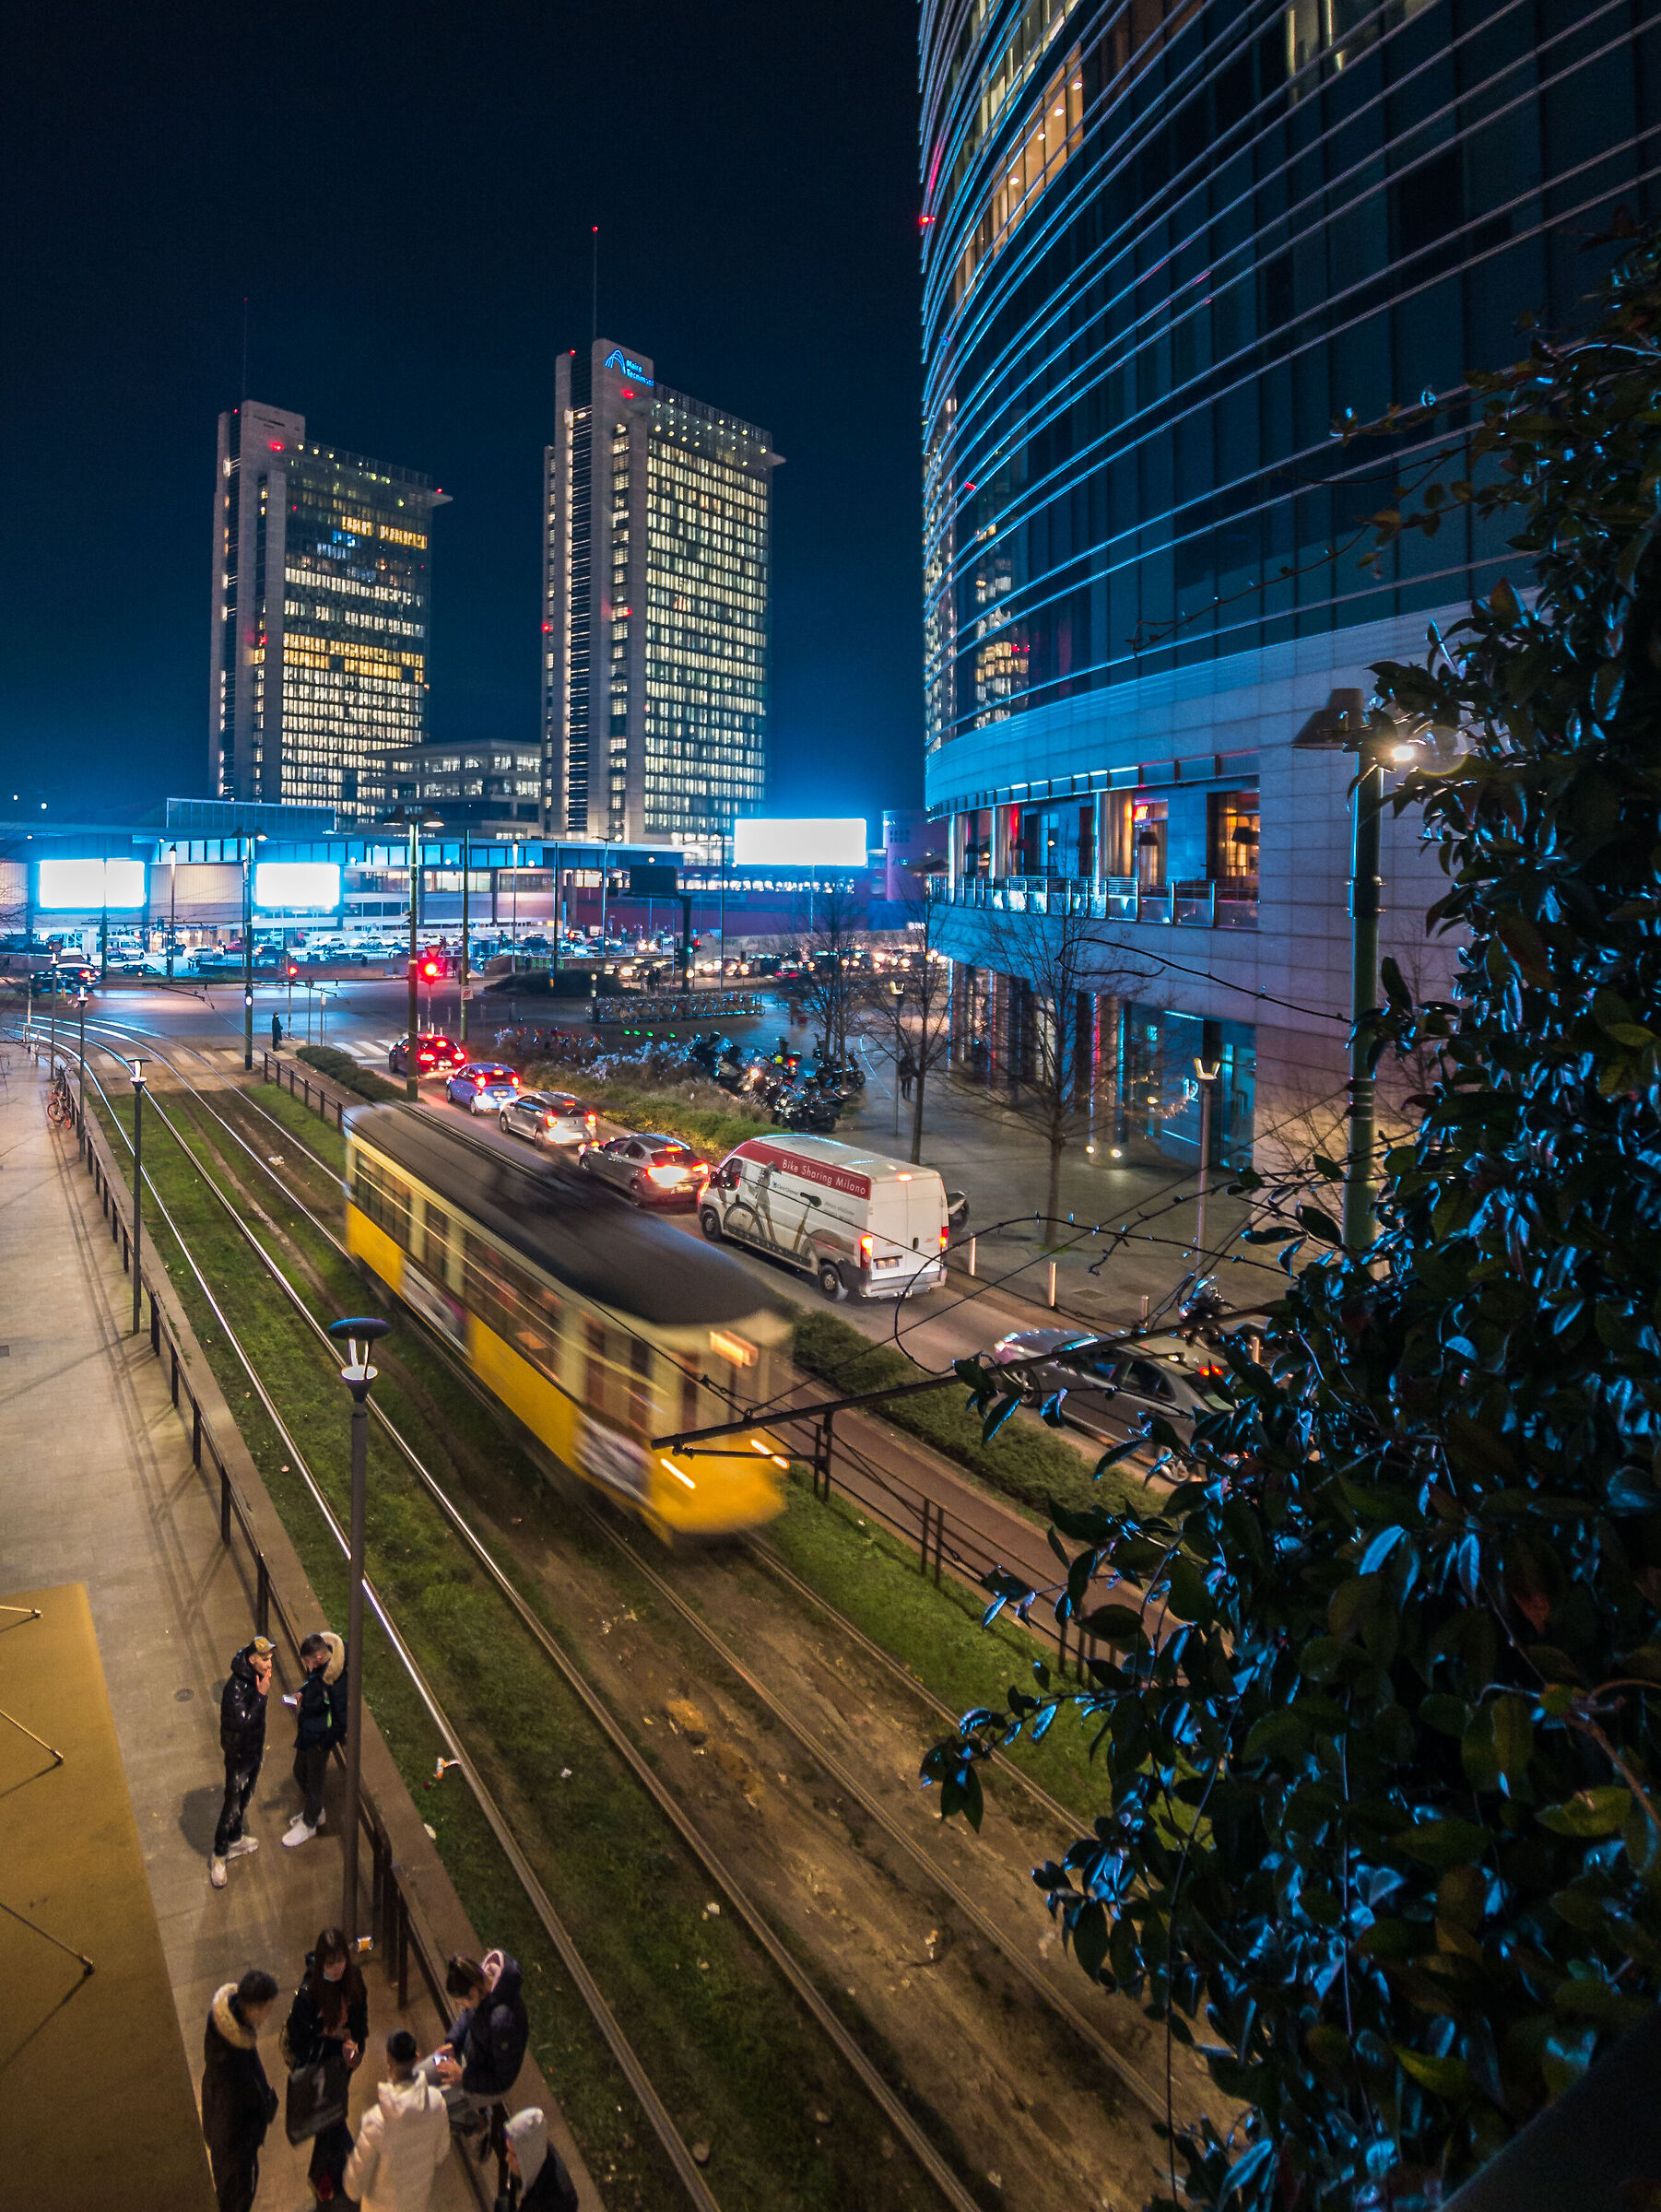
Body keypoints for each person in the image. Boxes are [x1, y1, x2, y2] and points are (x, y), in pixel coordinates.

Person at [283, 1925, 370, 2204]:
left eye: (341, 1961)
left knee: (331, 2119)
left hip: (341, 2067)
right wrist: (328, 2035)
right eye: (330, 1964)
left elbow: (360, 2025)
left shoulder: (354, 1980)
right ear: (322, 1962)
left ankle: (325, 2177)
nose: (337, 1969)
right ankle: (332, 2173)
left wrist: (356, 2054)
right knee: (331, 2120)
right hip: (318, 2068)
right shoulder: (309, 1995)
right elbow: (298, 2041)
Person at [421, 1949, 529, 2134]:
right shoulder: (482, 1980)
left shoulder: (502, 2023)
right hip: (467, 2057)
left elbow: (501, 2080)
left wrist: (464, 2077)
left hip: (484, 2080)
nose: (461, 2007)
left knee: (433, 2108)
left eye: (461, 2002)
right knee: (420, 2075)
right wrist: (453, 2042)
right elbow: (468, 2015)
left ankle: (477, 2125)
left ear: (473, 1993)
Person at [343, 2030, 450, 2212]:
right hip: (417, 2203)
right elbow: (441, 2152)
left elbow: (354, 2185)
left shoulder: (376, 2121)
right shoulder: (437, 2103)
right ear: (417, 2058)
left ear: (388, 2064)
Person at [201, 1968, 280, 2212]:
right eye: (268, 2008)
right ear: (255, 2009)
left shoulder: (232, 2032)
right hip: (235, 2154)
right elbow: (229, 2122)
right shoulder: (230, 2062)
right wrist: (253, 2136)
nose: (269, 2014)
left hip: (232, 2143)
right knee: (236, 2202)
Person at [211, 1635, 273, 1889]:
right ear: (252, 1659)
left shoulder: (256, 1679)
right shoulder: (236, 1688)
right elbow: (244, 1721)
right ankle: (218, 1854)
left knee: (245, 1798)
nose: (270, 1664)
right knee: (232, 1805)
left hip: (252, 1752)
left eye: (270, 1658)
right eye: (265, 1659)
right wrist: (261, 1697)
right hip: (238, 1757)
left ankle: (235, 1838)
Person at [283, 1628, 346, 1847]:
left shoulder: (336, 1683)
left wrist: (323, 1744)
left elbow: (341, 1722)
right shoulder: (322, 1669)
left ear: (318, 1657)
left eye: (308, 1662)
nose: (307, 1666)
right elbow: (313, 1683)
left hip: (318, 1737)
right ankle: (315, 1811)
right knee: (299, 1772)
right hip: (309, 1730)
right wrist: (302, 1694)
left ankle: (310, 1823)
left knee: (314, 1781)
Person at [497, 2110, 578, 2212]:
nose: (507, 2159)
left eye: (514, 2155)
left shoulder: (560, 2203)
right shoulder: (533, 2157)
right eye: (508, 2150)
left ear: (528, 2157)